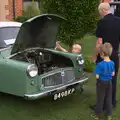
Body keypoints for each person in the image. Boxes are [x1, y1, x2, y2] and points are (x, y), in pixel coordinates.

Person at [90, 2, 120, 110]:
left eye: (99, 12)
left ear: (102, 10)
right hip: (115, 55)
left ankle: (101, 105)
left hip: (104, 56)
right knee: (113, 79)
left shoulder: (102, 22)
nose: (99, 14)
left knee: (102, 81)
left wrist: (94, 56)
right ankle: (112, 102)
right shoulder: (118, 21)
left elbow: (99, 42)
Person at [92, 43, 115, 120]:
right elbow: (113, 73)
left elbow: (97, 76)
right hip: (109, 82)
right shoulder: (112, 63)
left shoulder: (100, 64)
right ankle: (109, 115)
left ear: (102, 53)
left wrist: (99, 75)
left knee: (100, 99)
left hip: (101, 83)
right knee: (108, 98)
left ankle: (98, 115)